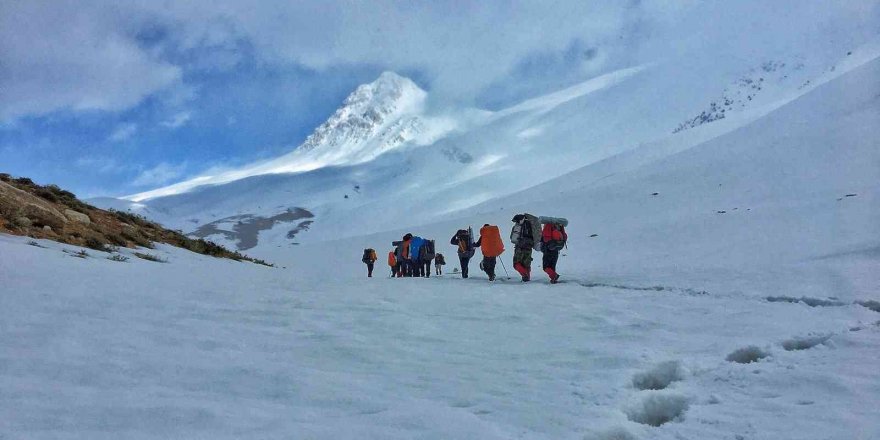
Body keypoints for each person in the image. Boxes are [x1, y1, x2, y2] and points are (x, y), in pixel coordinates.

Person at [510, 214, 540, 282]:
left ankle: (524, 275)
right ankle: (527, 278)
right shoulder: (531, 225)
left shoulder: (517, 226)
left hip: (520, 247)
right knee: (527, 264)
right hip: (529, 247)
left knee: (516, 263)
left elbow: (512, 237)